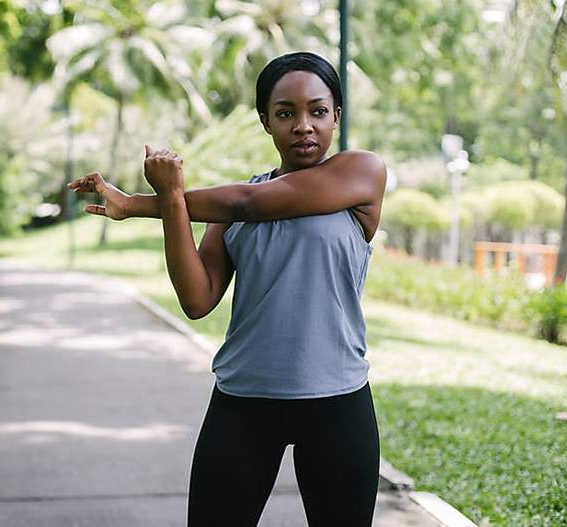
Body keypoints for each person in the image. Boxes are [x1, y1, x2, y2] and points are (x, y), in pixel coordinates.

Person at [68, 51, 387, 527]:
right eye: (286, 113)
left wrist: (136, 203)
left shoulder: (361, 173)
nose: (303, 126)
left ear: (336, 117)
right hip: (244, 402)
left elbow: (250, 202)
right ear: (265, 122)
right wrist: (172, 201)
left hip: (337, 401)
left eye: (318, 111)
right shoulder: (233, 210)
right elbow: (197, 300)